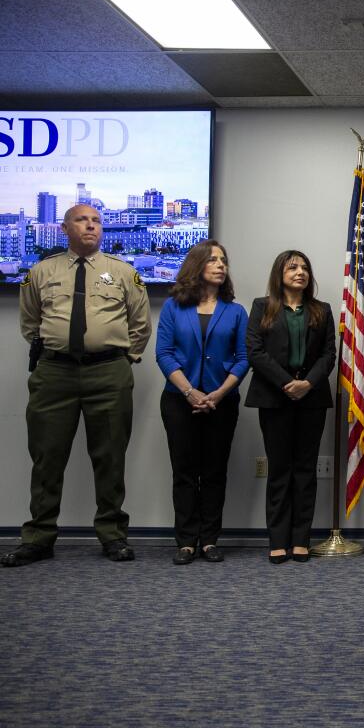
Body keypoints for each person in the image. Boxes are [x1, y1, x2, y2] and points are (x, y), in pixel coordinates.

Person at [2, 204, 150, 567]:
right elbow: (30, 323)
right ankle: (38, 537)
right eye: (82, 220)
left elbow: (141, 325)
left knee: (110, 456)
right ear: (64, 227)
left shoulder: (123, 272)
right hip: (55, 374)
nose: (91, 226)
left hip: (108, 374)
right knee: (47, 457)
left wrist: (122, 360)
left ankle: (113, 535)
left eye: (96, 221)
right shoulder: (40, 271)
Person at [155, 240, 249, 565]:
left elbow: (243, 358)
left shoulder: (236, 311)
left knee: (214, 472)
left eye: (224, 260)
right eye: (213, 259)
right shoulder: (173, 307)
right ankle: (185, 541)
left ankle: (209, 540)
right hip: (179, 401)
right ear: (197, 265)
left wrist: (219, 393)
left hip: (222, 402)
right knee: (184, 472)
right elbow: (163, 354)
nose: (221, 265)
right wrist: (189, 392)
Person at [245, 250, 336, 564]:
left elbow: (328, 356)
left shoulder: (321, 310)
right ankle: (278, 540)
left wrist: (306, 384)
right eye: (293, 266)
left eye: (305, 268)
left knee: (305, 471)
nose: (300, 272)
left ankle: (301, 539)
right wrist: (287, 383)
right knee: (280, 470)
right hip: (273, 398)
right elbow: (255, 352)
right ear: (279, 273)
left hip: (312, 399)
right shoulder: (262, 307)